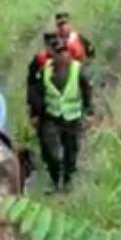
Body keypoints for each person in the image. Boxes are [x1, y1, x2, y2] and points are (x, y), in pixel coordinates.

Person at [29, 41, 94, 192]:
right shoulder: (45, 70)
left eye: (65, 52)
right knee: (52, 152)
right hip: (52, 117)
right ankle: (54, 179)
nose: (63, 56)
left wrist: (89, 111)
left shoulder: (78, 70)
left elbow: (87, 90)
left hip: (72, 117)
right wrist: (35, 113)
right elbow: (37, 92)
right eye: (58, 52)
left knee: (71, 150)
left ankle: (67, 181)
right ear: (53, 55)